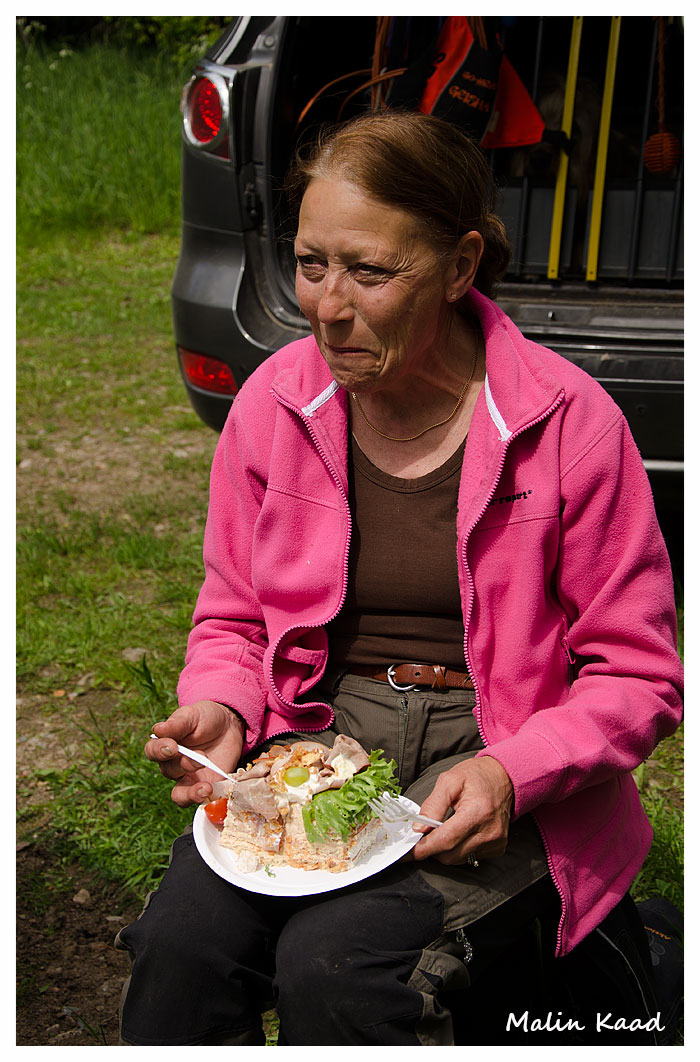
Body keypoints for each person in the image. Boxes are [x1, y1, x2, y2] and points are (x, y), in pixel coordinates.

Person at [116, 111, 683, 1046]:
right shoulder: (275, 406)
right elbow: (236, 620)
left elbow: (638, 674)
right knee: (182, 949)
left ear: (460, 267)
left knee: (339, 969)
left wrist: (513, 773)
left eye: (370, 272)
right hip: (317, 743)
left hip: (497, 743)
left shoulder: (568, 424)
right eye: (311, 264)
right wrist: (221, 704)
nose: (327, 307)